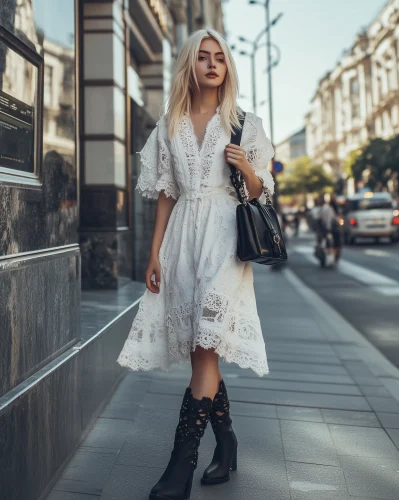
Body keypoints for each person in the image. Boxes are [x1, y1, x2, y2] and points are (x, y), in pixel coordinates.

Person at [116, 29, 275, 500]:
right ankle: (226, 446)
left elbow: (262, 188)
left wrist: (246, 165)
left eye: (219, 58)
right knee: (200, 351)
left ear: (228, 67)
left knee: (206, 345)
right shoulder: (169, 124)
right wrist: (154, 252)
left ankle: (178, 469)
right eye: (202, 57)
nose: (211, 64)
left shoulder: (247, 123)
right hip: (184, 238)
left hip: (226, 238)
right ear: (190, 64)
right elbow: (166, 194)